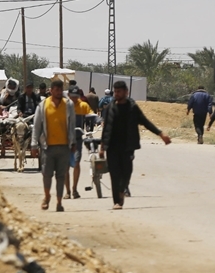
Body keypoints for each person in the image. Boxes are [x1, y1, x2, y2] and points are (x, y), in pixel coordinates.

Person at [99, 80, 171, 210]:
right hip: (112, 147)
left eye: (119, 91)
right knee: (114, 174)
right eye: (115, 91)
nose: (116, 94)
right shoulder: (110, 107)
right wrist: (102, 146)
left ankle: (122, 190)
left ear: (126, 92)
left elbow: (145, 122)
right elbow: (106, 129)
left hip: (127, 146)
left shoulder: (132, 108)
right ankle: (116, 201)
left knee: (127, 172)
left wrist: (160, 134)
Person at [32, 79, 76, 212]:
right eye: (56, 90)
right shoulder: (43, 105)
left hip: (64, 147)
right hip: (47, 147)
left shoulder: (68, 104)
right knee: (46, 174)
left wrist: (73, 142)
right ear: (51, 91)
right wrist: (34, 144)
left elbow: (72, 125)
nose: (58, 92)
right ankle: (47, 197)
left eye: (60, 90)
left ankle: (59, 202)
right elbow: (37, 126)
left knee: (61, 176)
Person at [66, 87, 93, 199]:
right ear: (68, 96)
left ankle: (74, 189)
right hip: (64, 139)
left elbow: (91, 114)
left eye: (76, 97)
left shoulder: (83, 106)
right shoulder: (63, 106)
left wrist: (98, 119)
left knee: (76, 163)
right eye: (72, 97)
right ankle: (67, 191)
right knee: (65, 166)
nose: (74, 99)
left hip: (77, 139)